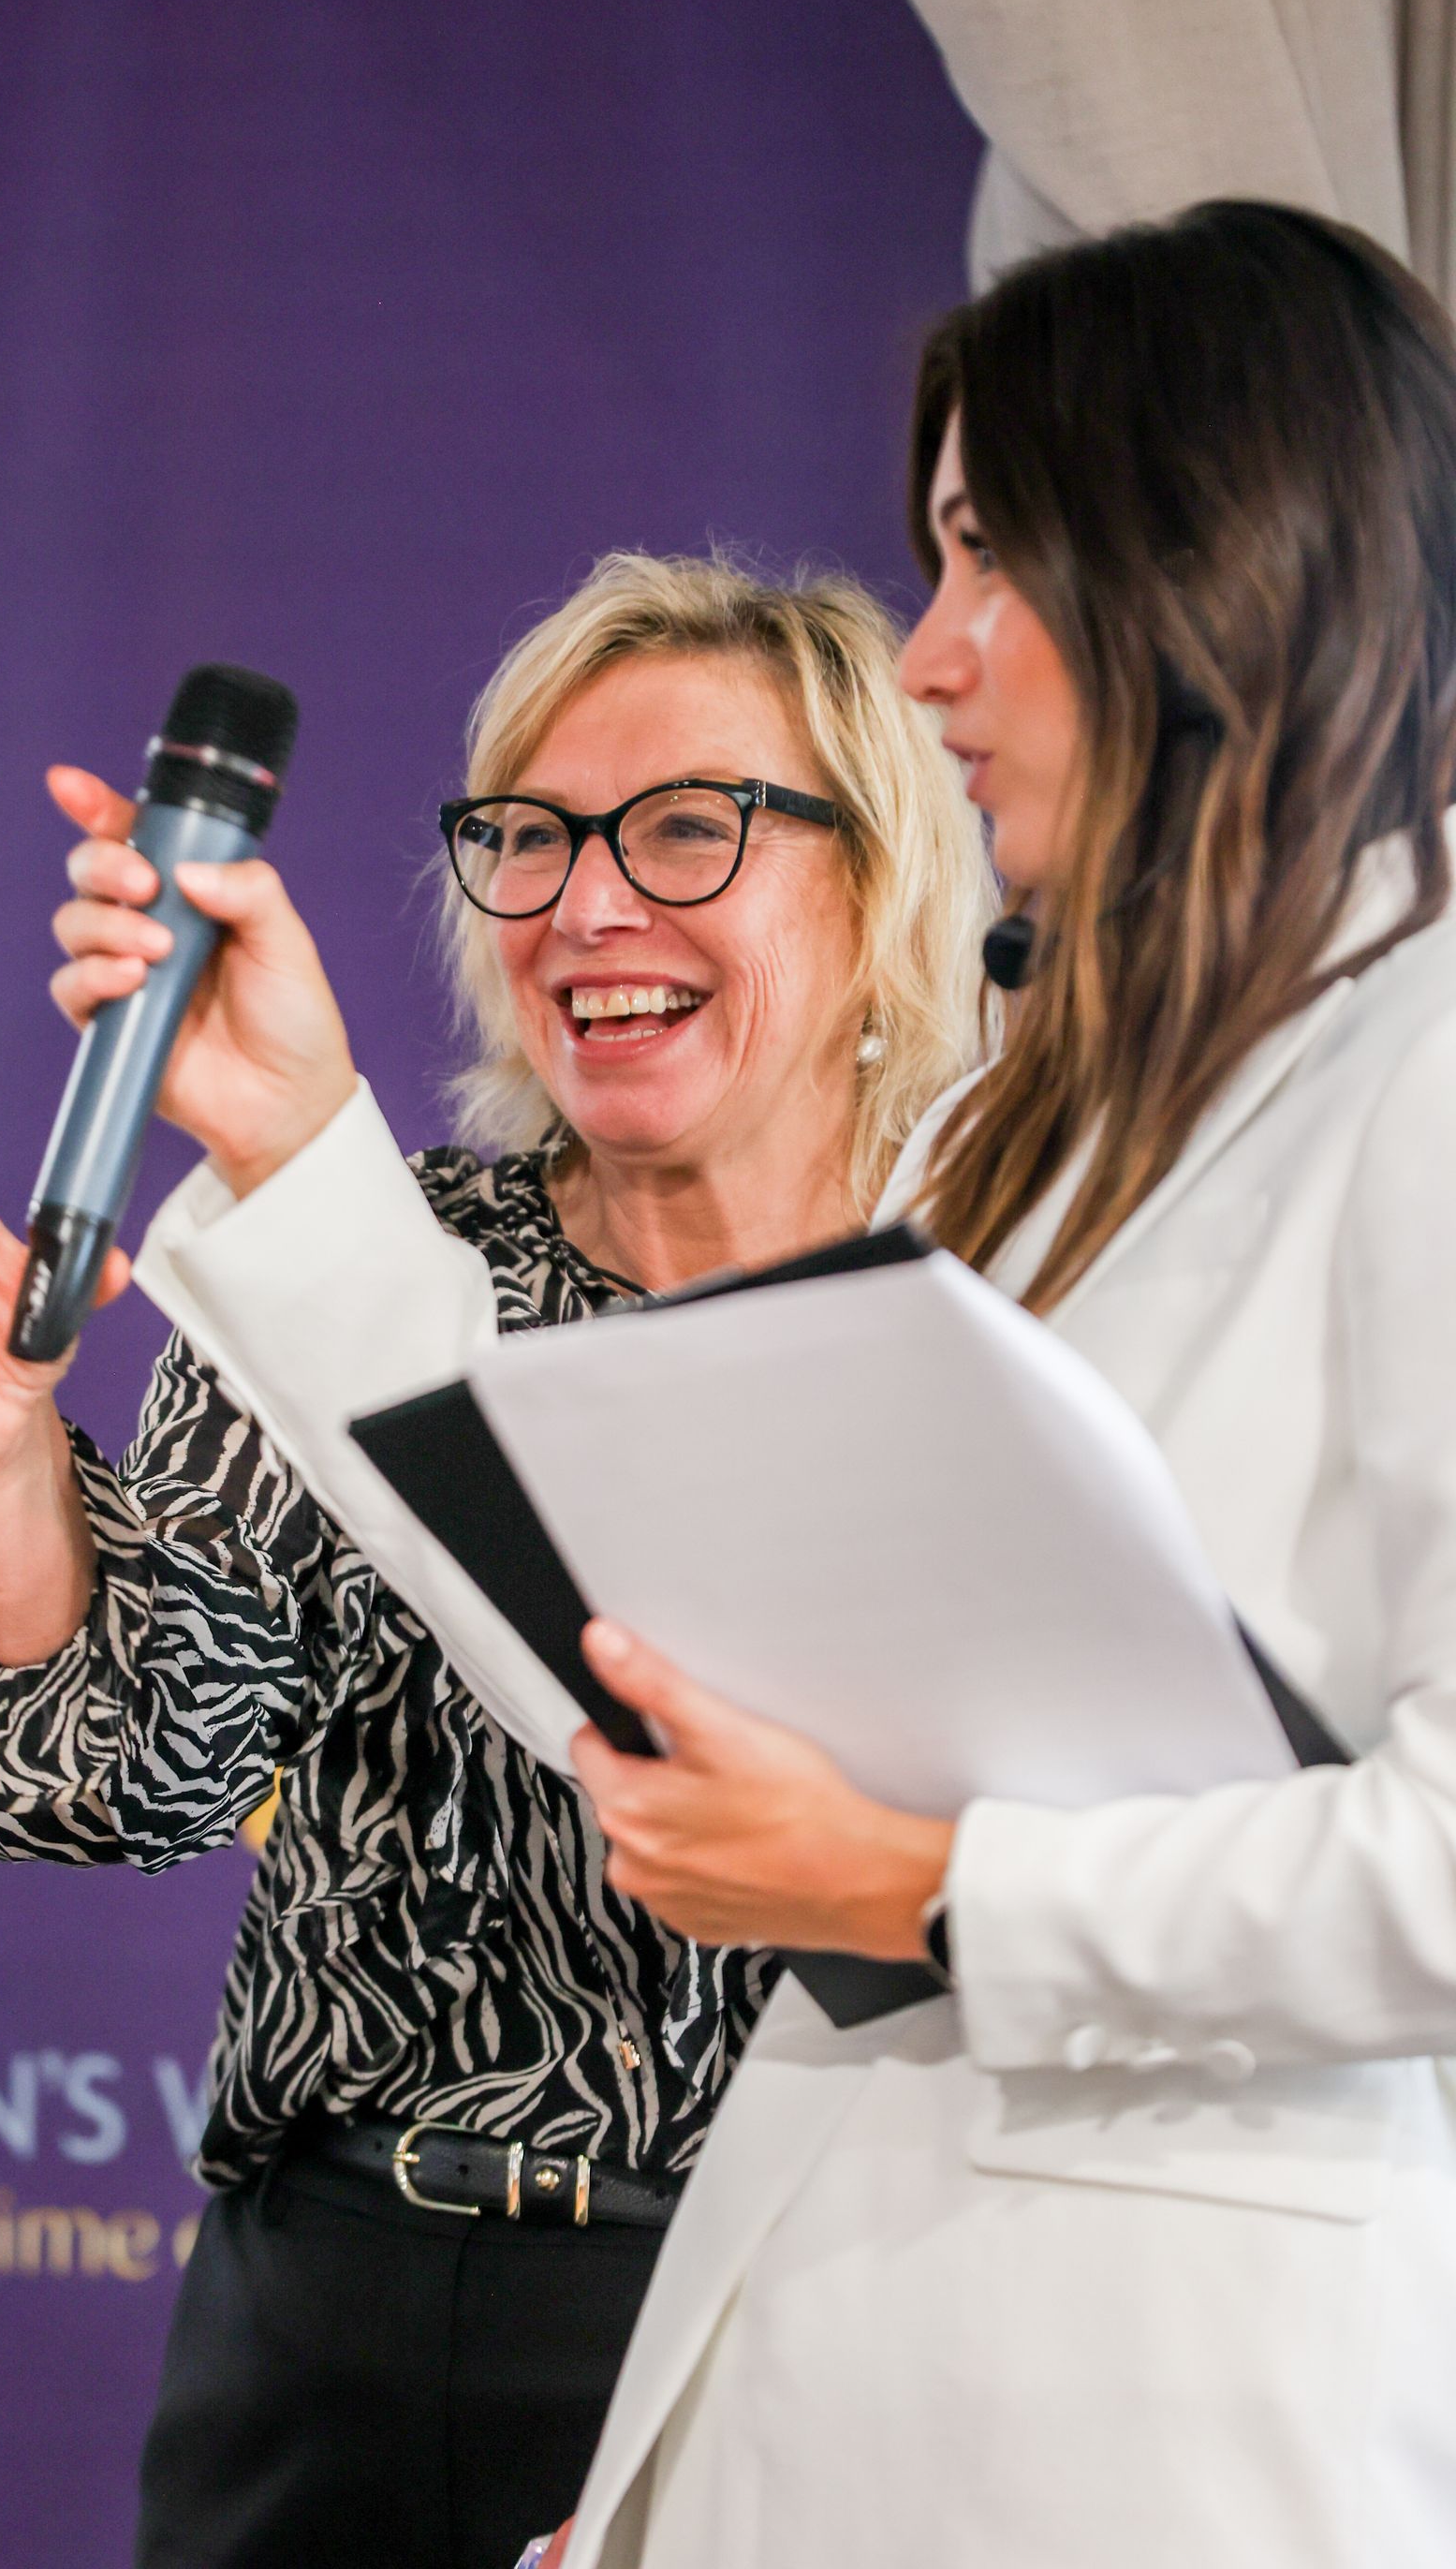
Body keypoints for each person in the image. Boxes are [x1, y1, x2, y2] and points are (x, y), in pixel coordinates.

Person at [142, 202, 1456, 2569]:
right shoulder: (1052, 1137)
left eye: (990, 561)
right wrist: (300, 1145)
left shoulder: (1435, 1078)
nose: (935, 664)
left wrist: (935, 1884)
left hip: (1183, 2448)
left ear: (1217, 565)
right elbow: (656, 1662)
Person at [0, 551, 992, 2569]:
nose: (589, 904)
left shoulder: (995, 1297)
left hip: (782, 2314)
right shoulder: (367, 1257)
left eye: (689, 831)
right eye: (526, 843)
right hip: (326, 2324)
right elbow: (124, 1763)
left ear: (874, 880)